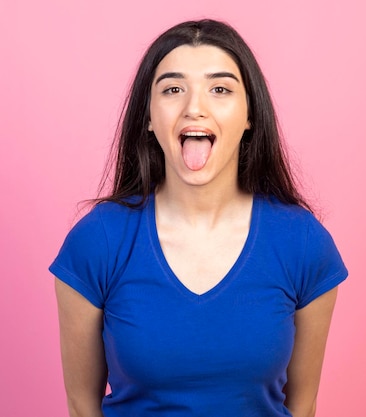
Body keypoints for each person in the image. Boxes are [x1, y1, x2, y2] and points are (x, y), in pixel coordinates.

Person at [50, 19, 348, 417]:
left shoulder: (304, 244)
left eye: (220, 89)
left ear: (249, 116)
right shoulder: (97, 241)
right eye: (173, 89)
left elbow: (303, 405)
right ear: (149, 117)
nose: (194, 107)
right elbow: (81, 405)